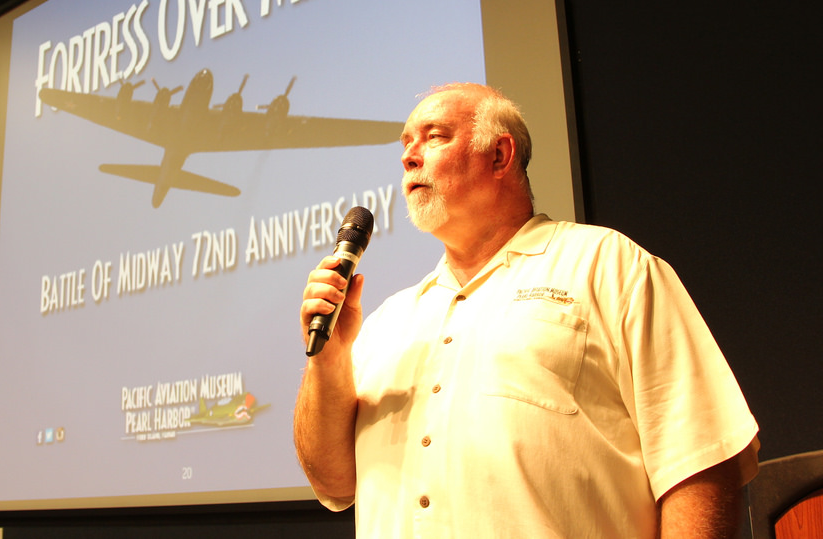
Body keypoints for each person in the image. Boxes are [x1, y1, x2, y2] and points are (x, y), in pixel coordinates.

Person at [294, 83, 759, 538]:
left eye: (434, 137)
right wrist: (328, 359)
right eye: (406, 144)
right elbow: (332, 484)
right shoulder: (386, 321)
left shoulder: (608, 265)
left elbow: (701, 458)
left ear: (500, 156)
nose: (408, 157)